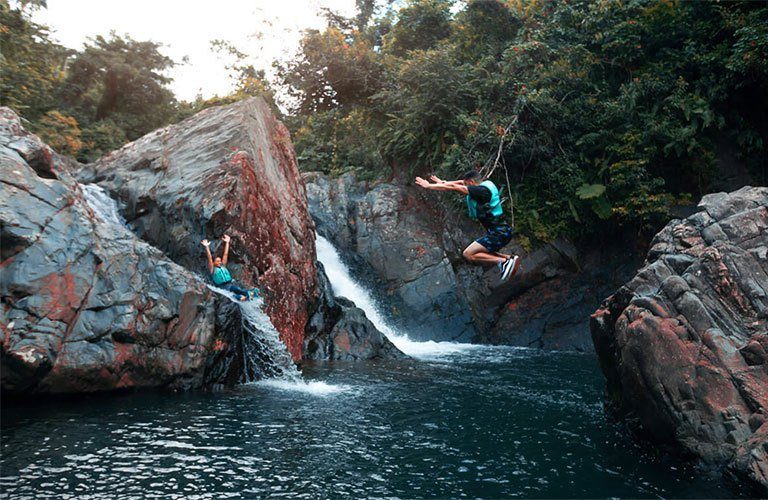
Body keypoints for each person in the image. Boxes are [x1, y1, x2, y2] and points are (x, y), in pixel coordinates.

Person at [415, 170, 520, 281]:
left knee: (468, 254)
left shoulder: (481, 191)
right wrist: (443, 182)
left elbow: (454, 187)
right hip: (503, 231)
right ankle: (509, 259)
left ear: (471, 182)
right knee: (482, 252)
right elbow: (460, 183)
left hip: (499, 234)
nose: (465, 186)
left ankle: (504, 261)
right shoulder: (485, 184)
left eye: (467, 184)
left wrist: (429, 186)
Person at [201, 234, 257, 301]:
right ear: (214, 263)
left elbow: (225, 254)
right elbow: (209, 258)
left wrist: (227, 242)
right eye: (217, 261)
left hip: (230, 283)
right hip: (222, 286)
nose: (219, 262)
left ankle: (250, 294)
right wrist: (207, 246)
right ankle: (242, 298)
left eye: (220, 261)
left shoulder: (223, 265)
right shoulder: (212, 269)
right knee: (231, 293)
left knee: (237, 289)